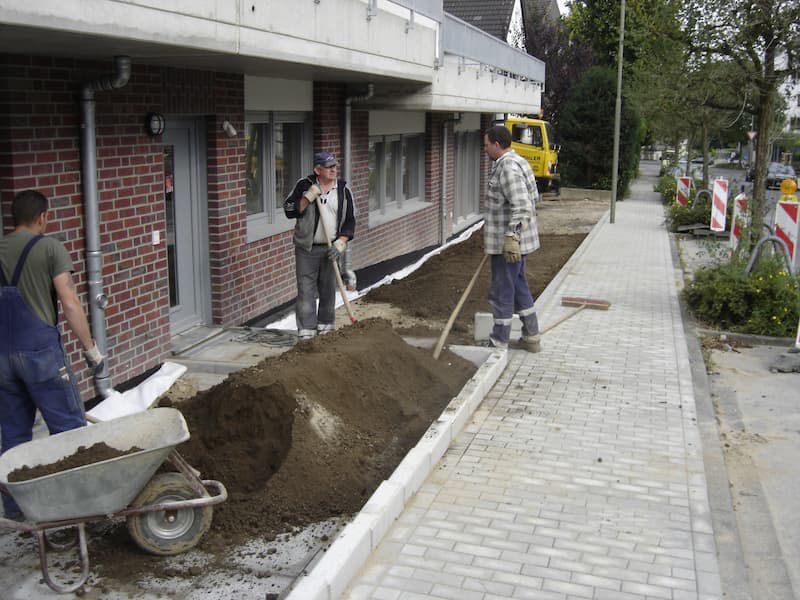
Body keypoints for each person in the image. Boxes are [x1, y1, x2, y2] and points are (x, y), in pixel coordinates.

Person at [0, 190, 104, 520]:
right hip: (40, 354)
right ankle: (77, 505)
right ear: (43, 216)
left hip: (2, 356)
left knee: (14, 435)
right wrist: (91, 349)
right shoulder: (49, 247)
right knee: (69, 428)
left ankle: (17, 510)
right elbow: (69, 302)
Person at [283, 152, 356, 340]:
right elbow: (290, 211)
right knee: (305, 291)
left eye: (335, 166)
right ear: (317, 170)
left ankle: (325, 329)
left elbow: (350, 221)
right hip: (307, 248)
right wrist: (307, 197)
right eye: (329, 166)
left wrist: (341, 242)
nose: (333, 170)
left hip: (331, 248)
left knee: (327, 290)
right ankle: (307, 333)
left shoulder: (343, 190)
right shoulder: (304, 185)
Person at [482, 125, 542, 352]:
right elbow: (534, 197)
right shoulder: (518, 161)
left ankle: (498, 341)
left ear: (497, 144)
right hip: (514, 245)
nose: (485, 149)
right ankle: (531, 336)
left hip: (509, 247)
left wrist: (511, 237)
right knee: (518, 287)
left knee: (502, 291)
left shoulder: (507, 168)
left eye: (486, 145)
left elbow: (523, 205)